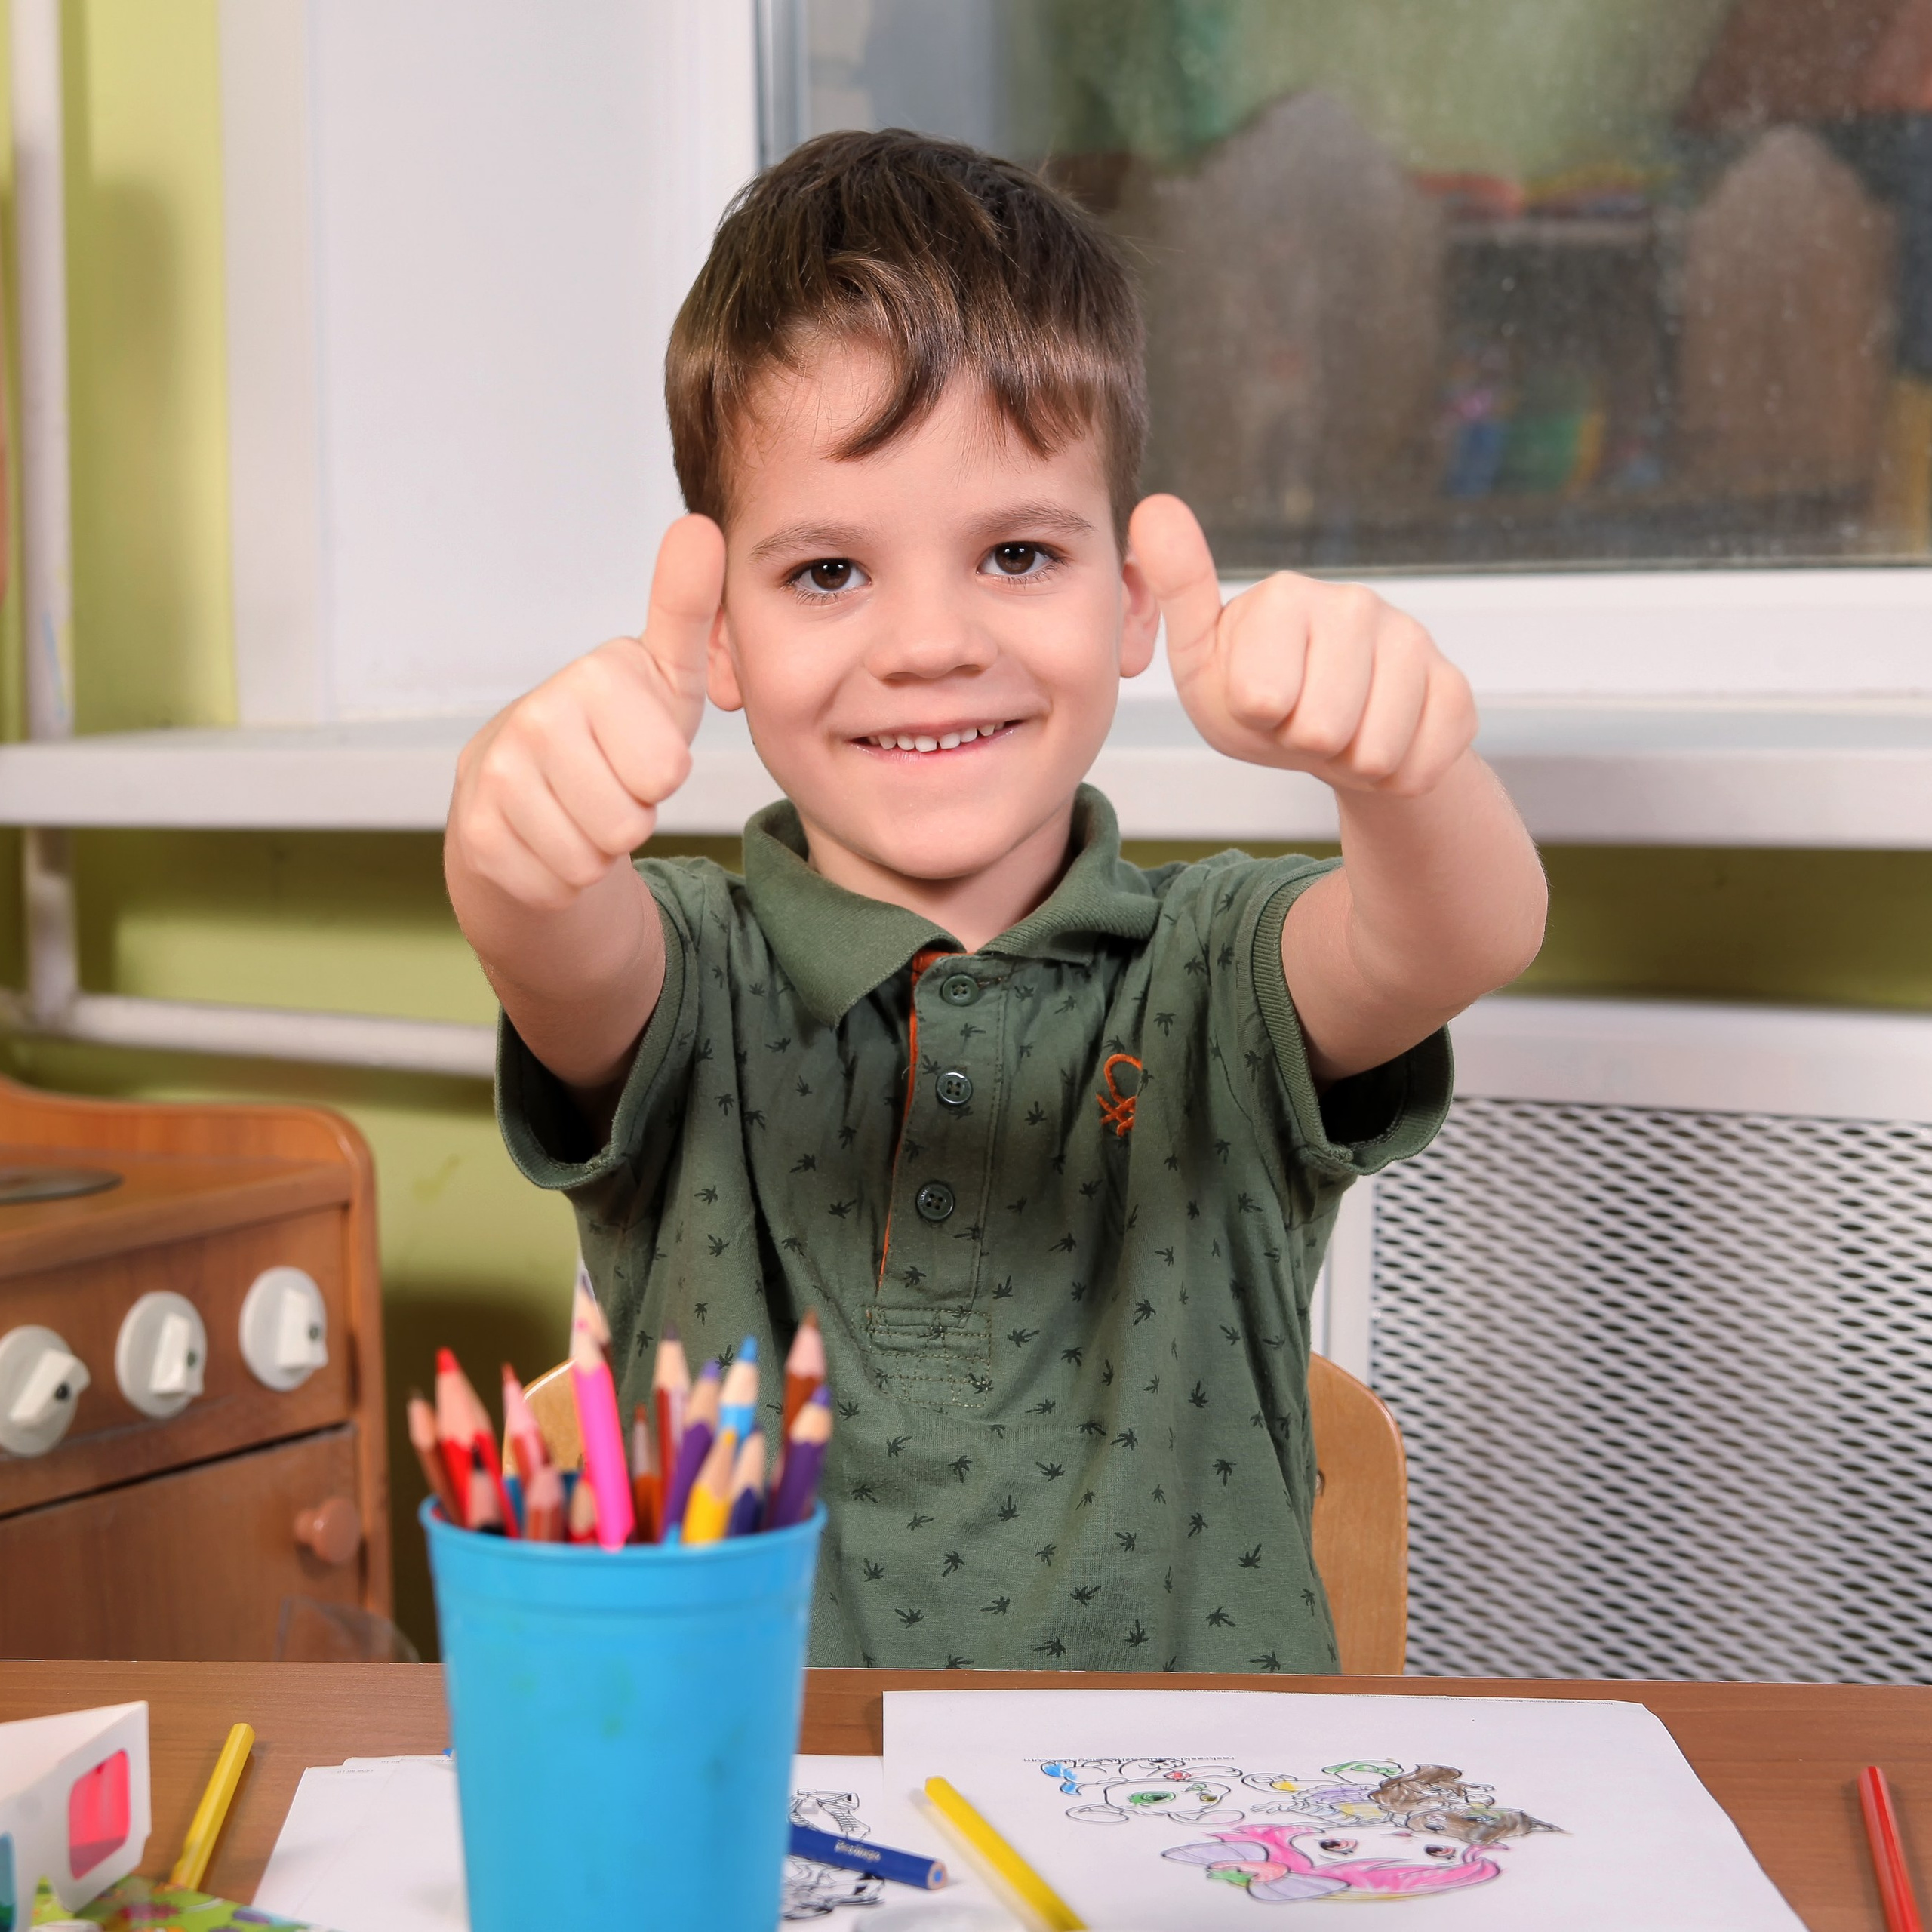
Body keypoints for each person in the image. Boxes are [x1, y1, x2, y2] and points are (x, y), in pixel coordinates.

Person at [444, 128, 1546, 1670]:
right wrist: (508, 828)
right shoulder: (685, 977)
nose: (930, 643)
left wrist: (1402, 769)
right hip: (757, 1802)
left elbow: (1461, 934)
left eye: (1016, 553)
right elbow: (548, 939)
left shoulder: (1218, 970)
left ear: (1130, 602)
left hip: (1197, 1809)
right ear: (720, 639)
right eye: (828, 574)